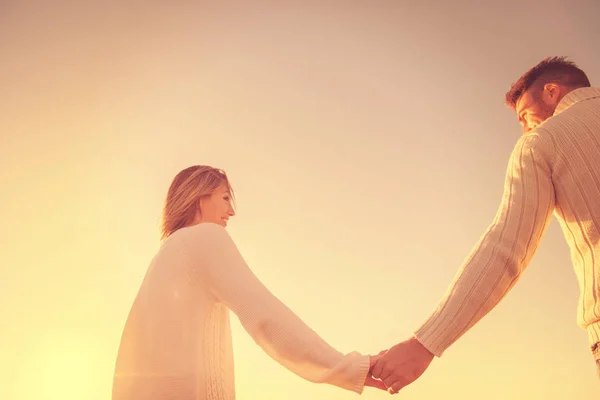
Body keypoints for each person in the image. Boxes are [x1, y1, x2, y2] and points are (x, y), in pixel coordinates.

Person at [370, 56, 600, 393]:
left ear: (552, 91)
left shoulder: (542, 143)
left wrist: (424, 344)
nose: (525, 128)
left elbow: (507, 249)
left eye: (524, 116)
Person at [111, 165, 386, 399]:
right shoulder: (205, 237)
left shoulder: (167, 253)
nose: (231, 211)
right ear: (199, 197)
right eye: (225, 198)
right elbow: (265, 317)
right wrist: (348, 367)